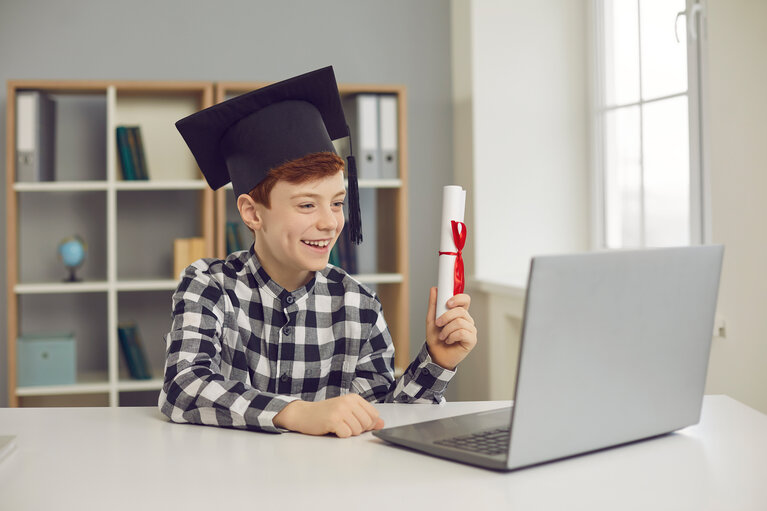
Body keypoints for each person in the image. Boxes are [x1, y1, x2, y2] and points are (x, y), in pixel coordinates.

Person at [159, 66, 477, 438]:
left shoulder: (358, 305)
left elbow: (379, 416)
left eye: (338, 203)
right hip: (231, 483)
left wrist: (437, 361)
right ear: (251, 212)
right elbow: (183, 386)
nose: (330, 223)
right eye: (307, 205)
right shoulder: (210, 286)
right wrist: (293, 413)